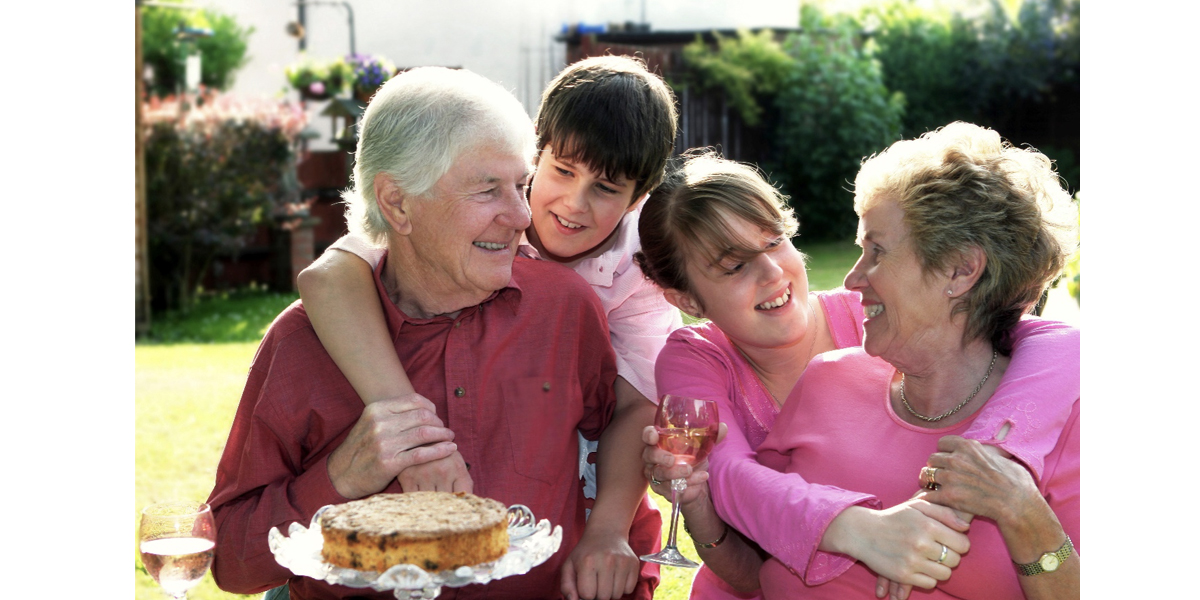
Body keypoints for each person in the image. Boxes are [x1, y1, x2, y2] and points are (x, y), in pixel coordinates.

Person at [207, 66, 621, 600]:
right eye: (487, 190)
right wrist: (340, 477)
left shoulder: (566, 311)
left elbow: (608, 459)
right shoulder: (300, 344)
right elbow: (231, 564)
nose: (521, 215)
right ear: (397, 203)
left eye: (520, 185)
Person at [296, 55, 681, 600]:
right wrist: (414, 433)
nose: (573, 205)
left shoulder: (638, 267)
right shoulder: (477, 210)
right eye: (562, 172)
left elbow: (638, 404)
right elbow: (330, 275)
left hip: (585, 494)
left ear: (638, 198)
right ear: (534, 154)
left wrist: (607, 530)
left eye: (606, 189)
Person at [634, 148, 1078, 599]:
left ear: (961, 271)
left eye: (773, 242)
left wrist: (990, 460)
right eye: (733, 266)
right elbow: (749, 531)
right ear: (686, 301)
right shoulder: (820, 374)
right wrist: (862, 530)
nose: (772, 272)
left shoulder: (880, 322)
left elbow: (1058, 341)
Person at [755, 121, 1079, 598]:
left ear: (961, 269)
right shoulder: (826, 380)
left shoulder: (1065, 422)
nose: (851, 279)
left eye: (877, 252)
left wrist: (1021, 509)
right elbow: (748, 565)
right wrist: (700, 504)